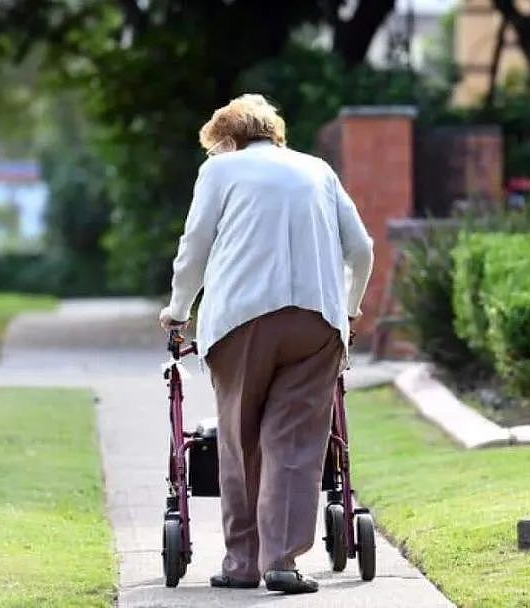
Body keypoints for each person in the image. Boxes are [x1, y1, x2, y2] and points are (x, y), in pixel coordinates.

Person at [158, 94, 373, 594]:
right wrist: (350, 307)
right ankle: (283, 562)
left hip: (240, 318)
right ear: (273, 133)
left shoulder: (221, 171)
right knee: (295, 443)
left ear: (228, 140)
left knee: (241, 438)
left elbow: (194, 248)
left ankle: (241, 562)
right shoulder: (318, 170)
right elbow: (360, 248)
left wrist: (177, 310)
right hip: (317, 319)